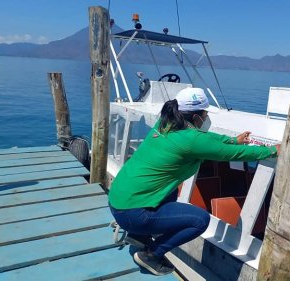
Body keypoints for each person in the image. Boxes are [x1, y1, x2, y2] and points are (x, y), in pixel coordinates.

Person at [108, 87, 280, 275]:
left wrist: (233, 140)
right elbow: (233, 154)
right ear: (196, 116)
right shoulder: (190, 140)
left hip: (117, 201)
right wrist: (272, 151)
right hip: (133, 213)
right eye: (205, 114)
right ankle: (151, 254)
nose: (206, 117)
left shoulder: (165, 123)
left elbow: (205, 139)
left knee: (171, 190)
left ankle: (138, 235)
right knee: (200, 220)